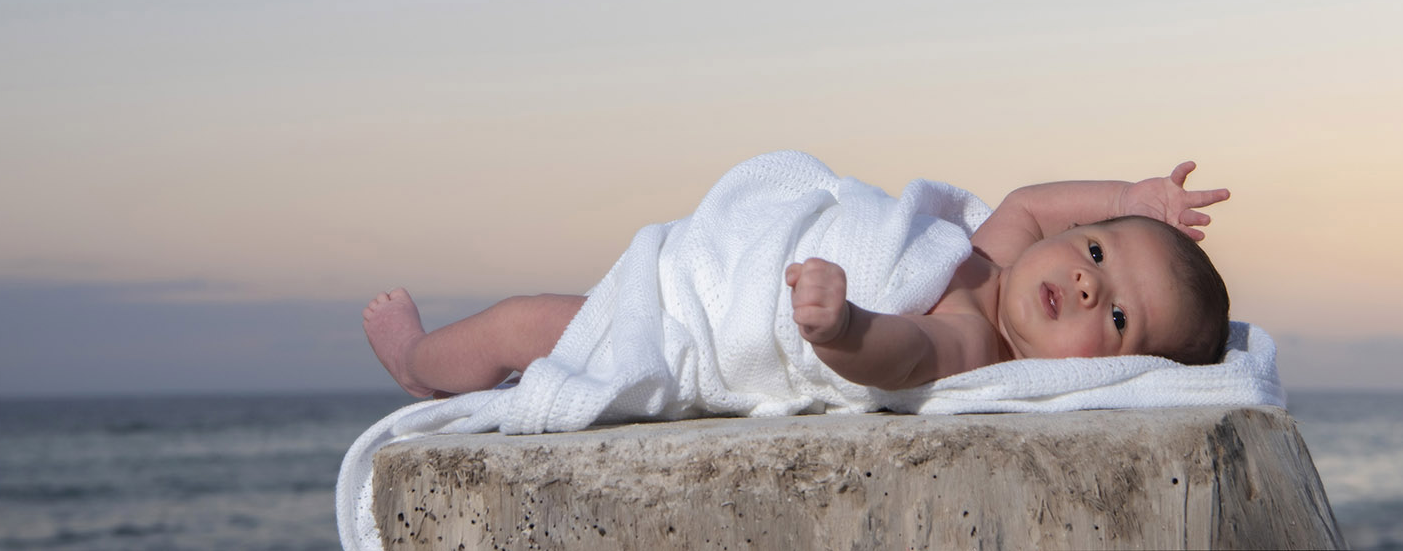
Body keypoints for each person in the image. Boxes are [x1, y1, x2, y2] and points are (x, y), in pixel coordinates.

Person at [363, 160, 1230, 399]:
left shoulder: (973, 340)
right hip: (713, 270)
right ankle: (435, 362)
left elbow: (898, 354)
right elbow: (1031, 202)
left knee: (523, 325)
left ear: (1104, 369)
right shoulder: (996, 255)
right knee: (529, 318)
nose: (1086, 287)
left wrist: (845, 325)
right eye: (1098, 255)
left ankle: (420, 365)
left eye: (1116, 320)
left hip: (700, 333)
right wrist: (1128, 195)